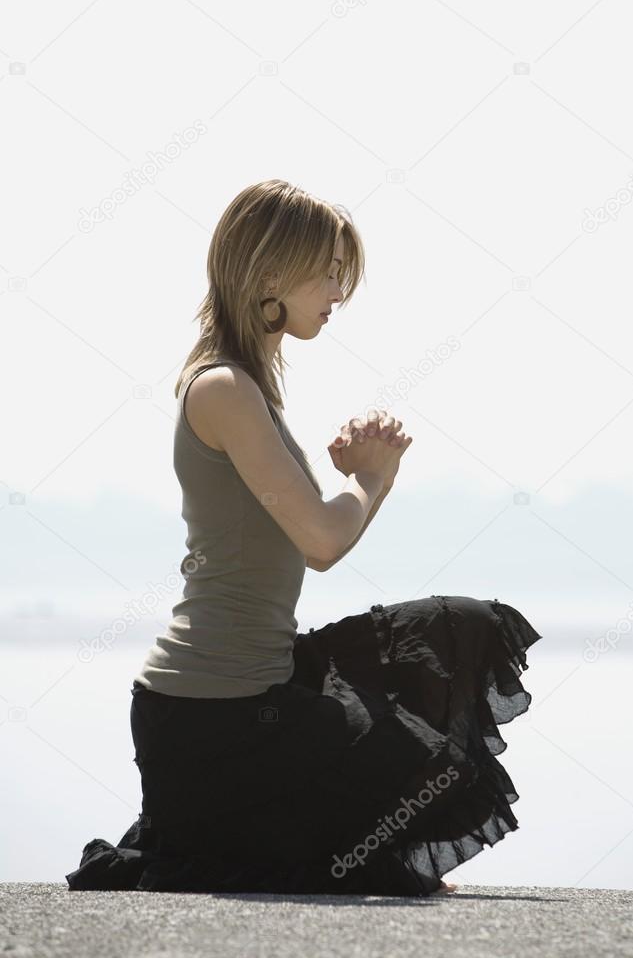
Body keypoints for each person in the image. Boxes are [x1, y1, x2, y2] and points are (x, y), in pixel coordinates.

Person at [64, 178, 542, 897]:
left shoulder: (250, 385)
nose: (338, 290)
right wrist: (371, 480)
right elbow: (322, 539)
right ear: (267, 275)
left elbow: (314, 535)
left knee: (464, 629)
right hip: (209, 718)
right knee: (405, 786)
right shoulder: (223, 387)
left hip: (267, 680)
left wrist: (361, 480)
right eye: (327, 271)